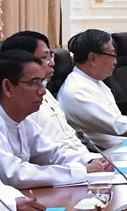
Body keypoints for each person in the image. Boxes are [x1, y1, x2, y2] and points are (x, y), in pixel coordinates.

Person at [0, 51, 112, 188]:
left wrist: (91, 160)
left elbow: (54, 153)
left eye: (43, 82)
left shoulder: (23, 121)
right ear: (8, 88)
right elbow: (14, 174)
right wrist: (81, 171)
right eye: (34, 83)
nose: (43, 91)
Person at [1, 32, 86, 154]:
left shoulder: (27, 117)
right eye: (45, 57)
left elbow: (53, 152)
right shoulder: (22, 109)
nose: (52, 63)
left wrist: (91, 160)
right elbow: (12, 167)